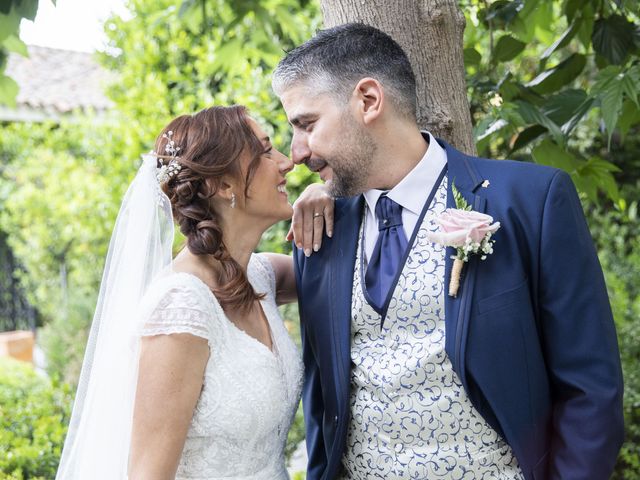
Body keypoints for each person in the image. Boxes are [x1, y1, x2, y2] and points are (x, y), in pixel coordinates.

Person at [273, 23, 624, 480]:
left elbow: (590, 388)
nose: (296, 152)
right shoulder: (320, 231)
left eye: (306, 125)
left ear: (368, 100)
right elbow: (323, 399)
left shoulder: (529, 201)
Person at [55, 105, 331, 480]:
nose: (286, 163)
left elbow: (337, 273)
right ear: (224, 185)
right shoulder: (181, 306)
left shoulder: (261, 275)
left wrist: (326, 190)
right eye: (266, 152)